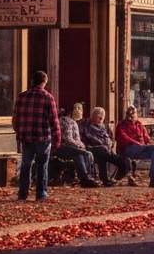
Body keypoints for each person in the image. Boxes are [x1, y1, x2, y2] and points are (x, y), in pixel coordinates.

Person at [12, 70, 60, 201]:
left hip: (26, 136)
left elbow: (15, 118)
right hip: (42, 136)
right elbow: (54, 120)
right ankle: (41, 193)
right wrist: (57, 138)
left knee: (26, 165)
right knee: (42, 166)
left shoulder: (21, 96)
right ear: (44, 82)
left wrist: (19, 132)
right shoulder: (48, 97)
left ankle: (23, 193)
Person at [115, 106, 154, 188]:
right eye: (130, 115)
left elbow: (145, 136)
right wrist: (137, 143)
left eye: (133, 115)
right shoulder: (121, 125)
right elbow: (123, 137)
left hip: (140, 148)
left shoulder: (139, 124)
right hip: (128, 148)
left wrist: (149, 143)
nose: (131, 117)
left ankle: (153, 179)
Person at [82, 107, 130, 186]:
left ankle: (107, 178)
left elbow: (109, 138)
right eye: (99, 117)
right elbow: (89, 138)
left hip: (105, 149)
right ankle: (107, 178)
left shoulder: (104, 127)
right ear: (94, 116)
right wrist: (102, 144)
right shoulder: (87, 126)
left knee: (103, 154)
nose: (100, 120)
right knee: (101, 152)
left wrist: (108, 144)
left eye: (102, 118)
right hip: (92, 148)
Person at [54, 103, 99, 188]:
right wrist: (80, 146)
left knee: (84, 153)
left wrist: (80, 145)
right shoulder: (67, 122)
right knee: (81, 153)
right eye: (75, 108)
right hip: (61, 147)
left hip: (68, 146)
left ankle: (87, 177)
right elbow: (68, 139)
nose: (77, 110)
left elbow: (77, 138)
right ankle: (85, 178)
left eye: (79, 108)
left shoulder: (74, 122)